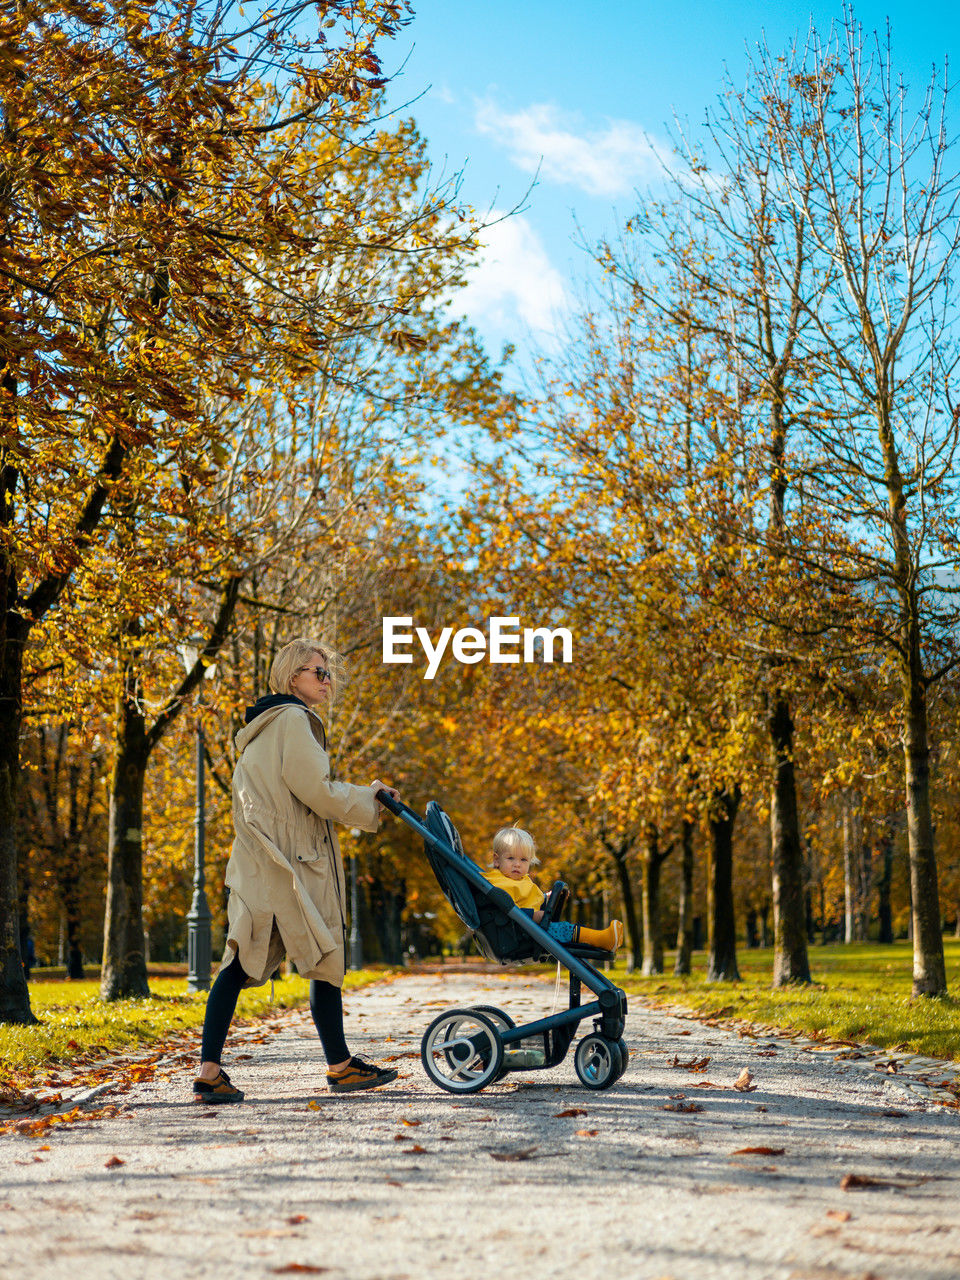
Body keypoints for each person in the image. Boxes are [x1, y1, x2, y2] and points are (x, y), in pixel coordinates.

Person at [192, 637, 402, 1103]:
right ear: (292, 678)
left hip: (258, 862)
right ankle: (340, 1067)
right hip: (291, 862)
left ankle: (211, 1072)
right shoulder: (292, 720)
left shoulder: (264, 728)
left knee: (240, 960)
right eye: (317, 672)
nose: (327, 680)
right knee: (323, 959)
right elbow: (318, 792)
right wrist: (371, 798)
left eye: (327, 672)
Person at [482, 826, 623, 951]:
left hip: (528, 930)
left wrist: (547, 899)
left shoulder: (520, 881)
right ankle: (601, 939)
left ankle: (601, 939)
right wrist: (533, 915)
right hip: (517, 935)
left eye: (523, 860)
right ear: (496, 860)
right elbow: (503, 910)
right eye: (511, 858)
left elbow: (528, 900)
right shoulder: (498, 884)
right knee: (563, 930)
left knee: (562, 928)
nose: (517, 864)